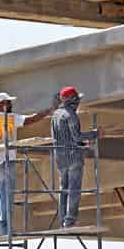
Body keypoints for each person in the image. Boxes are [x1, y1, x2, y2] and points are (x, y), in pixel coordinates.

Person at [0, 92, 57, 236]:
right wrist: (49, 110)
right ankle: (4, 228)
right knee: (6, 195)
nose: (10, 105)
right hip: (6, 161)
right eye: (7, 103)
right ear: (0, 105)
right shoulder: (11, 118)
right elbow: (30, 120)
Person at [51, 86, 99, 228]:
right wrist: (94, 134)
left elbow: (64, 137)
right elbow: (77, 136)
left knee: (63, 188)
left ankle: (63, 220)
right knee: (74, 189)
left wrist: (83, 142)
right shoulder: (70, 115)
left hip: (60, 157)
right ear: (73, 100)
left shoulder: (55, 115)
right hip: (73, 157)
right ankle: (70, 220)